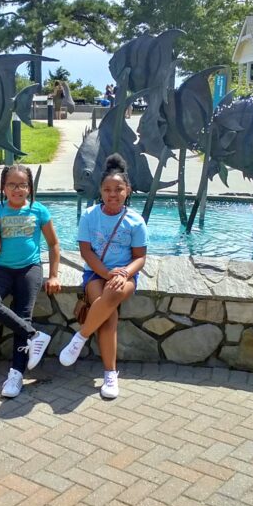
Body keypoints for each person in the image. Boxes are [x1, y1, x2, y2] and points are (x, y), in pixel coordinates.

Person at [59, 154, 147, 400]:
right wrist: (108, 273)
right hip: (96, 274)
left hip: (125, 276)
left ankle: (81, 337)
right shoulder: (89, 216)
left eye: (118, 189)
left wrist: (124, 273)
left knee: (116, 292)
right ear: (100, 190)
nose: (113, 194)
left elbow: (140, 257)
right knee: (108, 317)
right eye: (108, 189)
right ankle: (110, 373)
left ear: (127, 190)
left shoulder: (135, 221)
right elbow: (86, 251)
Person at [0, 164, 61, 399]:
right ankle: (36, 336)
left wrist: (54, 274)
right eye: (12, 185)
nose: (18, 189)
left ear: (29, 187)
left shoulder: (39, 210)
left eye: (22, 184)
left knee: (22, 315)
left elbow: (54, 244)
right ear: (4, 188)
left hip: (29, 269)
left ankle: (16, 374)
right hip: (2, 269)